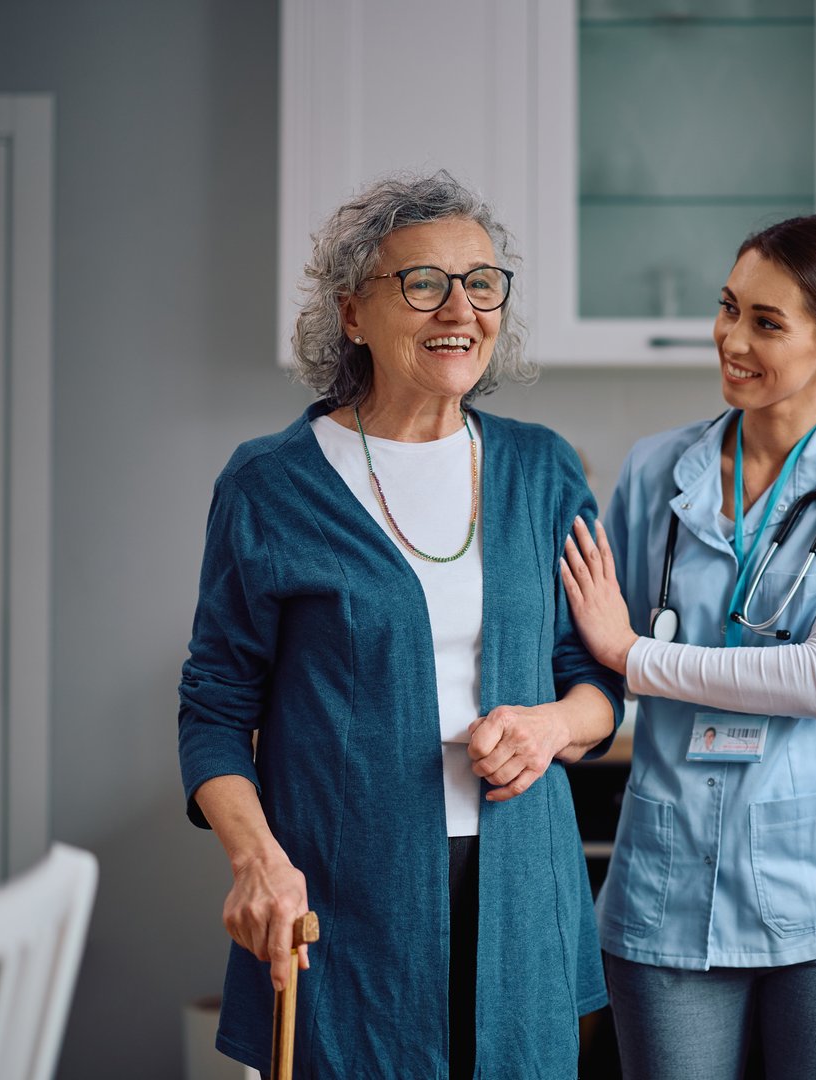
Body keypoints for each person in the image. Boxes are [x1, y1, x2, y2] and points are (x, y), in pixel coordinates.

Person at [177, 170, 623, 1078]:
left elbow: (597, 683)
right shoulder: (270, 485)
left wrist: (549, 725)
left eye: (482, 282)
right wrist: (256, 859)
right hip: (345, 899)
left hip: (519, 899)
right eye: (423, 283)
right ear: (353, 315)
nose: (459, 307)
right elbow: (215, 711)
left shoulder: (543, 472)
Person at [560, 214, 816, 1080]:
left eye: (767, 323)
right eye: (729, 309)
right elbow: (592, 654)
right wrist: (564, 710)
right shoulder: (657, 470)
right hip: (668, 886)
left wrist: (635, 657)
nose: (732, 339)